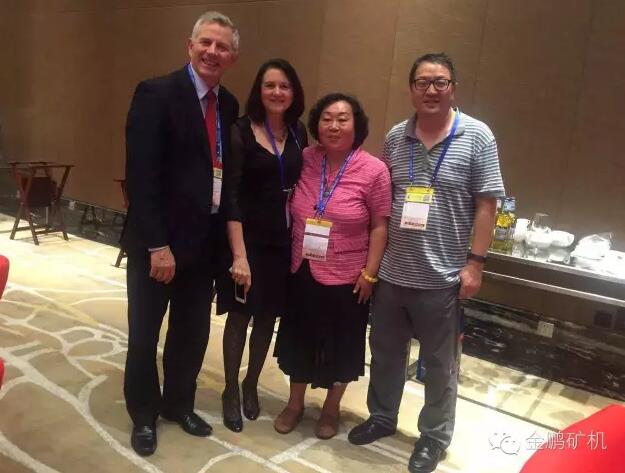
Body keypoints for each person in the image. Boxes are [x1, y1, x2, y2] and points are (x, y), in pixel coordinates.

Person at [348, 53, 505, 473]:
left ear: (453, 87)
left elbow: (487, 205)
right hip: (393, 273)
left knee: (439, 367)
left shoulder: (477, 136)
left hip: (443, 279)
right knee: (385, 354)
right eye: (422, 82)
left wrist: (476, 264)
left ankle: (433, 438)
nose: (431, 90)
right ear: (411, 88)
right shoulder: (396, 137)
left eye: (440, 82)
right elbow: (382, 201)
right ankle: (382, 417)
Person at [121, 11, 239, 456]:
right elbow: (141, 175)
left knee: (190, 333)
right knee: (144, 334)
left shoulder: (228, 105)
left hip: (203, 244)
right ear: (190, 46)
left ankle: (177, 404)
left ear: (232, 57)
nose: (212, 51)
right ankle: (143, 414)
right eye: (205, 42)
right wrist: (158, 244)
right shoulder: (156, 93)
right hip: (159, 243)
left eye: (222, 46)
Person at [273, 93, 392, 440]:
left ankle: (330, 409)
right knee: (299, 338)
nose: (334, 126)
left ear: (357, 125)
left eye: (342, 119)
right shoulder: (307, 158)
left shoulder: (374, 171)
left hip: (349, 275)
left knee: (341, 345)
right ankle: (294, 403)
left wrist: (370, 273)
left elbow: (379, 225)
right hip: (303, 268)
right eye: (327, 119)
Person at [218, 58, 307, 433]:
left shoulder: (299, 131)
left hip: (281, 240)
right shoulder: (241, 130)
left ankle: (250, 383)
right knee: (240, 316)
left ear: (293, 92)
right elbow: (231, 195)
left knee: (268, 316)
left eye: (284, 86)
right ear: (259, 90)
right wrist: (239, 256)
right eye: (270, 85)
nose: (277, 92)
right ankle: (229, 390)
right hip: (246, 238)